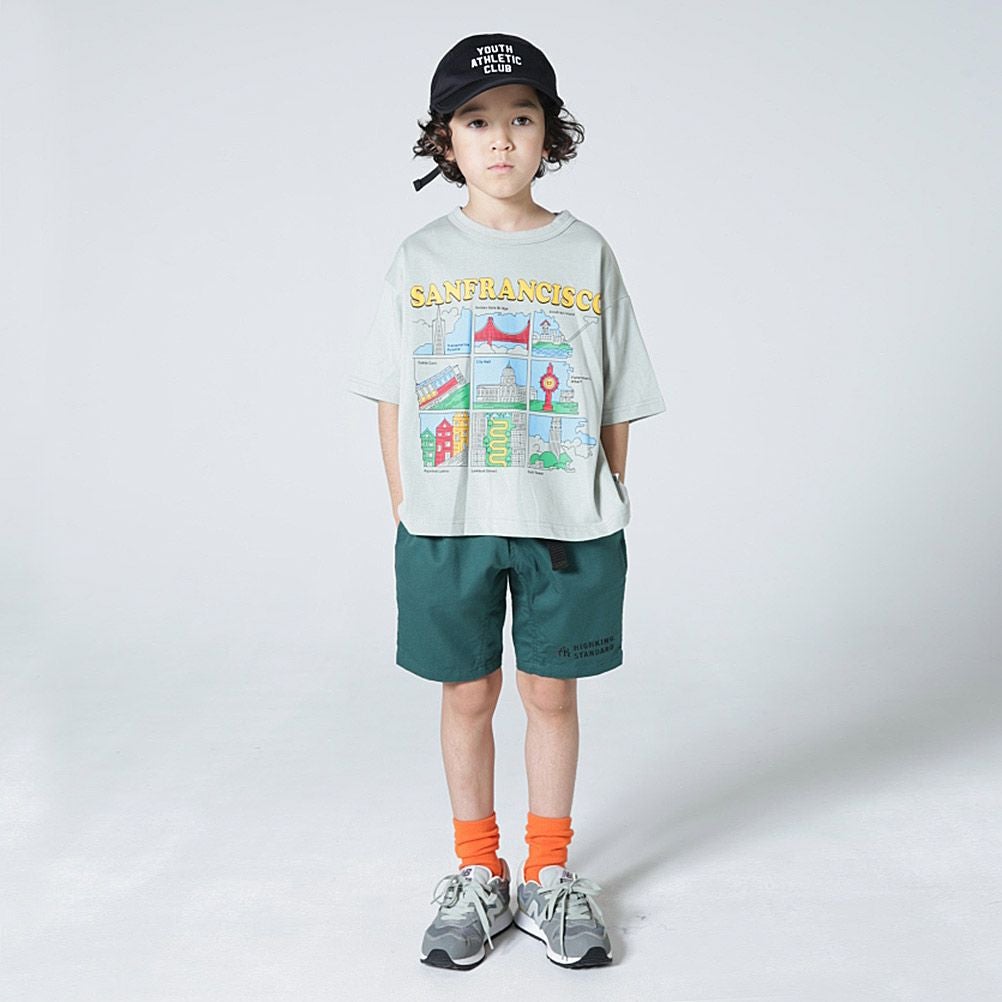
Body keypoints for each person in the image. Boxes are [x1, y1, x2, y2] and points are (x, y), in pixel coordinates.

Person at [346, 32, 666, 970]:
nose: (500, 139)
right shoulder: (420, 256)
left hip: (567, 521)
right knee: (467, 692)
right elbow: (391, 393)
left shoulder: (585, 252)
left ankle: (550, 873)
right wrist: (406, 502)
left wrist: (604, 492)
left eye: (521, 118)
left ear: (549, 135)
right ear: (446, 140)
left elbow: (616, 393)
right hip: (448, 521)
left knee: (551, 692)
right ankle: (477, 871)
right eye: (477, 121)